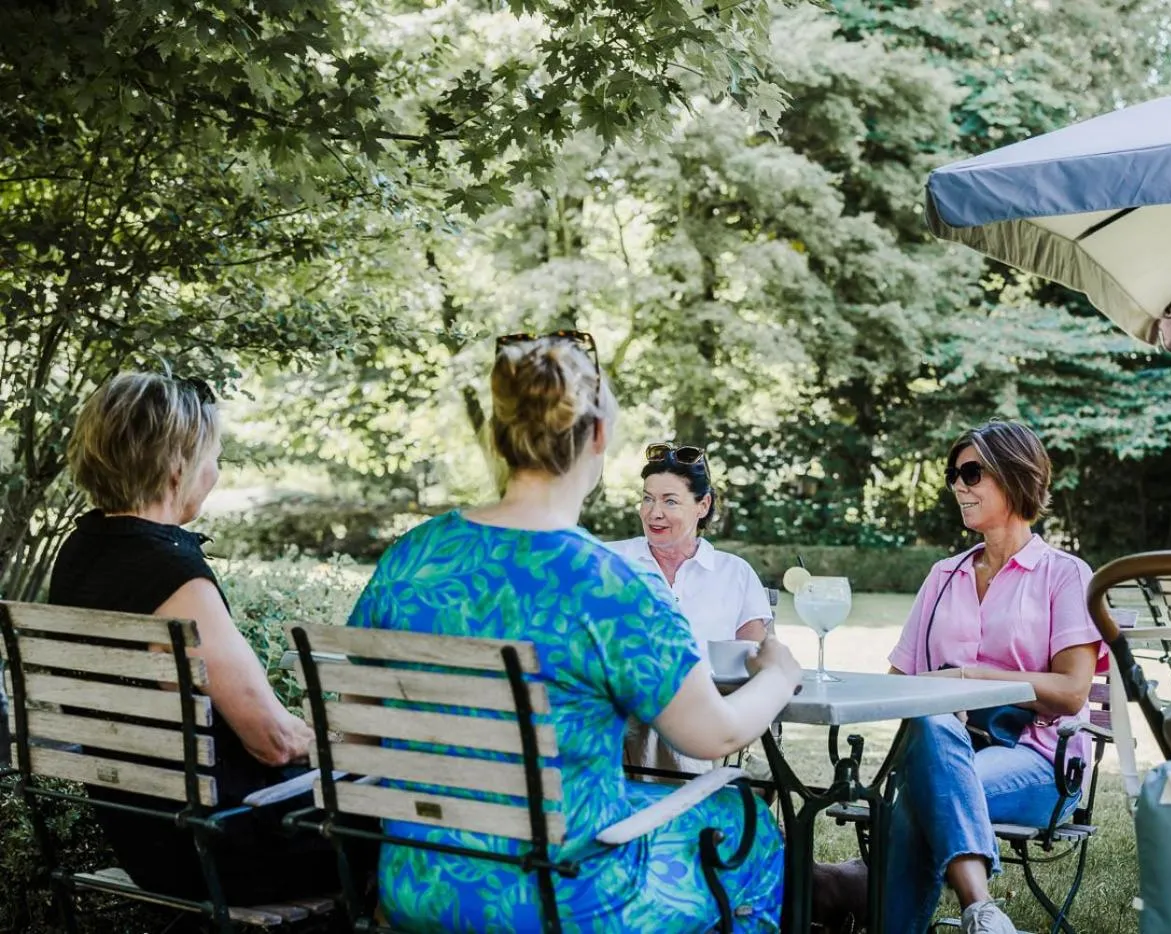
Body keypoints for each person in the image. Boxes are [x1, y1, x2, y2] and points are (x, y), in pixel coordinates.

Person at [345, 331, 802, 932]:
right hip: (568, 894)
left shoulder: (412, 556)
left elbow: (353, 725)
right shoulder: (611, 585)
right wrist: (778, 673)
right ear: (599, 437)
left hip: (420, 877)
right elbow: (713, 736)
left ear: (498, 435)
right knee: (745, 824)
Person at [47, 371, 375, 904]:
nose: (215, 472)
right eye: (212, 457)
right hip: (224, 849)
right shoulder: (173, 576)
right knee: (402, 814)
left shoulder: (80, 554)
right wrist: (351, 748)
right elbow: (273, 742)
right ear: (177, 467)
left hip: (144, 840)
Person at [882, 420, 1107, 934]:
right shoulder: (944, 576)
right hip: (948, 748)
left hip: (1041, 760)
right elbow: (898, 681)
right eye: (953, 474)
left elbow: (1072, 693)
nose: (958, 485)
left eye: (971, 472)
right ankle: (983, 914)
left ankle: (877, 902)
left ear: (1014, 475)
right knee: (934, 731)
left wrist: (968, 678)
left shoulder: (1064, 574)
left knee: (922, 798)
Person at [610, 443, 774, 774]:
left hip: (702, 719)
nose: (653, 512)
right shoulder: (610, 562)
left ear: (703, 505)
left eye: (670, 501)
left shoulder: (734, 573)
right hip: (617, 714)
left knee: (676, 716)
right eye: (647, 498)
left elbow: (758, 662)